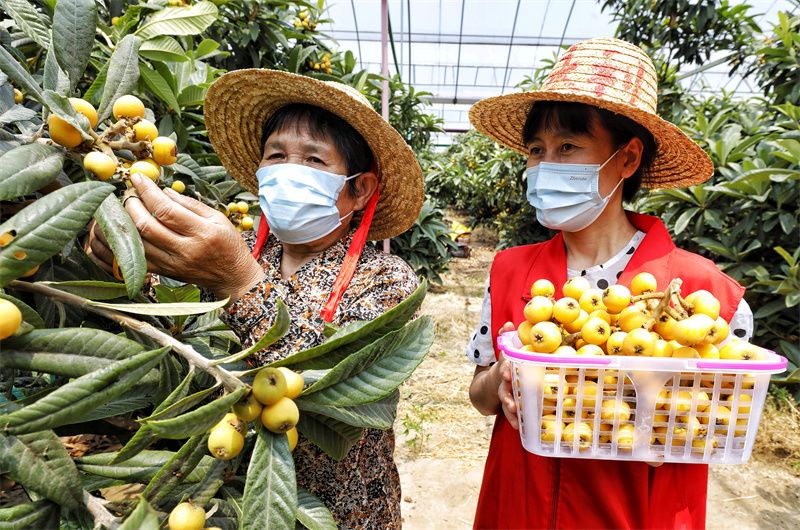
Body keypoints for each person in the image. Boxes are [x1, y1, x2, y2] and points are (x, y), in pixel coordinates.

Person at [87, 70, 424, 528]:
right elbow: (169, 323)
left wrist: (238, 280)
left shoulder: (388, 280)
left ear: (359, 189)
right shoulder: (225, 246)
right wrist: (124, 262)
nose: (290, 170)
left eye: (313, 160)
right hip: (223, 498)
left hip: (343, 511)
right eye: (278, 156)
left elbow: (331, 389)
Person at [465, 38, 754, 529]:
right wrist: (501, 380)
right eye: (536, 150)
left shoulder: (709, 297)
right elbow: (479, 394)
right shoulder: (509, 270)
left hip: (639, 514)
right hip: (521, 507)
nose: (543, 165)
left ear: (627, 158)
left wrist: (672, 429)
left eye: (568, 147)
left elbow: (724, 421)